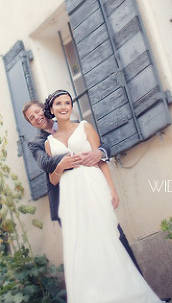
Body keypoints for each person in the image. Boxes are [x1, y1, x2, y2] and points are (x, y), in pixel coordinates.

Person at [42, 90, 163, 303]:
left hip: (92, 184)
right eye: (59, 103)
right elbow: (53, 180)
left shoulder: (84, 127)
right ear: (51, 109)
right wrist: (60, 166)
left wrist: (111, 189)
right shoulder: (49, 143)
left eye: (67, 103)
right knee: (83, 244)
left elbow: (101, 159)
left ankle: (127, 294)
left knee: (106, 236)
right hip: (70, 194)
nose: (64, 107)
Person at [22, 100, 143, 273]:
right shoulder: (36, 142)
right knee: (86, 250)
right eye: (31, 118)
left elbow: (101, 146)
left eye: (37, 112)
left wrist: (98, 152)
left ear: (45, 109)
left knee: (114, 234)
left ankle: (137, 282)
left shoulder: (75, 125)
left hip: (90, 190)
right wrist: (75, 155)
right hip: (66, 199)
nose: (36, 117)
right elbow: (46, 164)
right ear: (30, 123)